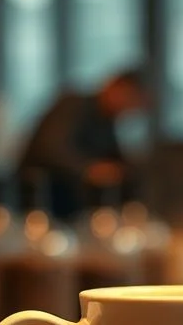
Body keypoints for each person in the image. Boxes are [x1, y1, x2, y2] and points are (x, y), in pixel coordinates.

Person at [18, 69, 148, 219]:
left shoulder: (107, 120)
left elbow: (115, 158)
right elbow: (50, 148)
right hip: (44, 195)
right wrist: (89, 169)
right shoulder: (73, 104)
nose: (130, 109)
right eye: (131, 100)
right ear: (115, 86)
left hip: (74, 198)